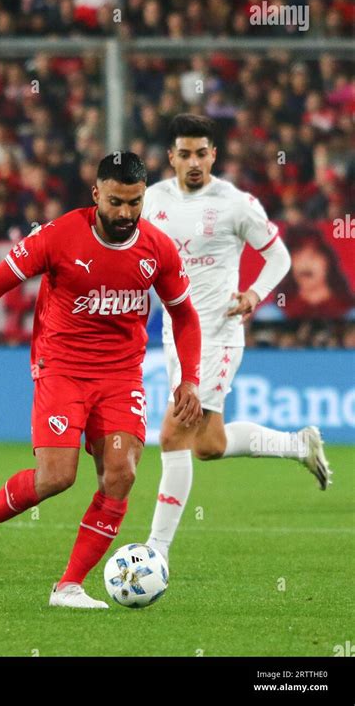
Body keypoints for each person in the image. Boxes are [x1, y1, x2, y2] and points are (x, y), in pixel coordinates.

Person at [0, 152, 202, 609]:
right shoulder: (57, 236)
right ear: (96, 194)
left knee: (121, 473)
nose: (126, 213)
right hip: (61, 366)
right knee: (57, 476)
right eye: (116, 202)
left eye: (135, 202)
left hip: (121, 374)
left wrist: (190, 379)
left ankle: (68, 587)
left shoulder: (157, 248)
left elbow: (185, 315)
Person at [142, 115, 332, 564]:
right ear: (171, 157)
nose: (193, 162)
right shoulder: (152, 200)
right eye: (184, 154)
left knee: (172, 434)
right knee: (208, 445)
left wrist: (253, 295)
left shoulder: (235, 204)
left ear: (213, 155)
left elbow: (279, 256)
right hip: (175, 335)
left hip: (218, 335)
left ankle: (155, 553)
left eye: (201, 153)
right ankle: (297, 445)